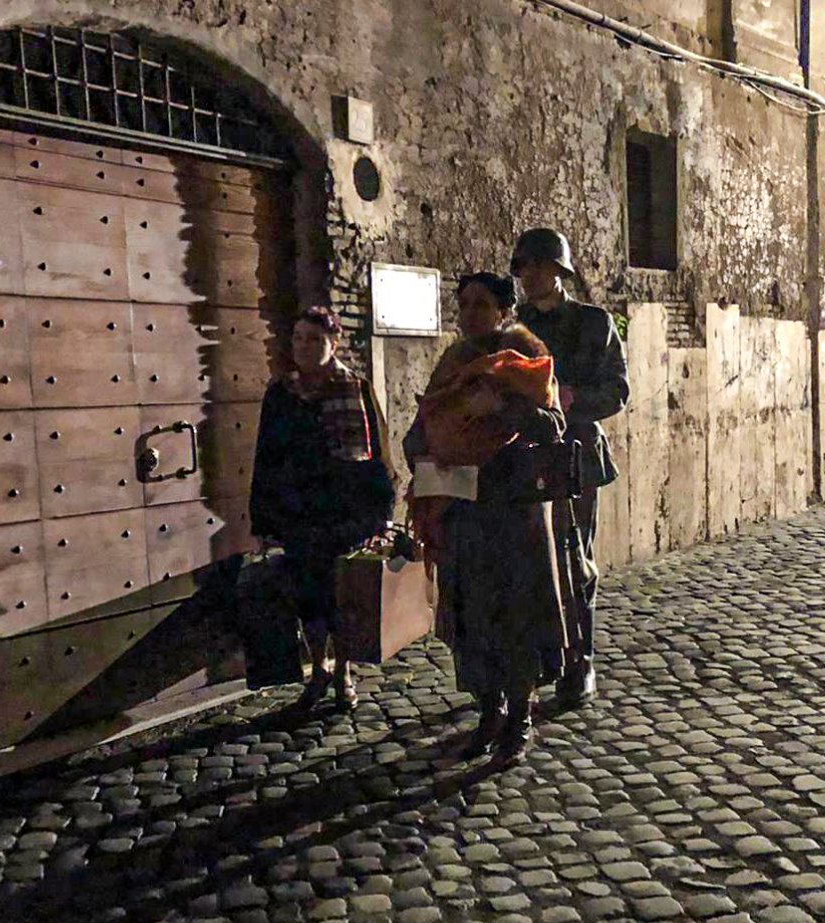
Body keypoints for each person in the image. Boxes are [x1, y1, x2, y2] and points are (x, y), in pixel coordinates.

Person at [404, 273, 569, 765]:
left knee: (516, 614)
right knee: (474, 616)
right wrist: (430, 446)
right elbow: (420, 431)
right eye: (464, 304)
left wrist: (503, 405)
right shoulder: (452, 364)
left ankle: (519, 717)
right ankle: (488, 710)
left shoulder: (527, 361)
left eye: (482, 304)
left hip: (513, 512)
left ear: (503, 312)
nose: (471, 313)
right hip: (464, 513)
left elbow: (553, 425)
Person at [249, 306, 395, 712]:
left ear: (334, 343)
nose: (304, 347)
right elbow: (266, 456)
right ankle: (319, 667)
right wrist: (262, 516)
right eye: (297, 338)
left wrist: (382, 509)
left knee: (343, 597)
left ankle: (345, 669)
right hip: (298, 511)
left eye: (314, 339)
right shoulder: (281, 393)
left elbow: (378, 451)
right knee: (308, 597)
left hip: (345, 510)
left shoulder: (355, 388)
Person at [510, 228, 629, 708]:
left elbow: (617, 390)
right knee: (528, 563)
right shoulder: (510, 323)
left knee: (575, 561)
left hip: (574, 455)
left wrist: (575, 398)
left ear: (559, 272)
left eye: (539, 266)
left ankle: (580, 661)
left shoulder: (593, 324)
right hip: (519, 457)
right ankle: (541, 658)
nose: (530, 277)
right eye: (524, 268)